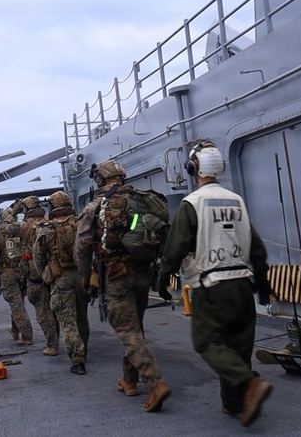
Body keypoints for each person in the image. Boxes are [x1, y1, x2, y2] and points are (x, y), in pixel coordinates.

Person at [157, 141, 272, 426]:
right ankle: (235, 403)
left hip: (211, 286)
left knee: (207, 342)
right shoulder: (237, 201)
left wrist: (162, 278)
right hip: (242, 284)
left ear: (193, 168)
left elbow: (175, 247)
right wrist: (263, 285)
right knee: (238, 346)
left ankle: (249, 382)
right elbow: (257, 248)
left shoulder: (192, 203)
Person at [75, 159, 172, 413]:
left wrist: (85, 277)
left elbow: (82, 247)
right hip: (143, 273)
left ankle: (155, 384)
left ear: (100, 180)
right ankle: (129, 380)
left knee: (128, 331)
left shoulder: (95, 207)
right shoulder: (140, 200)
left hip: (115, 275)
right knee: (135, 327)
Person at [35, 190, 89, 375]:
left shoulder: (46, 229)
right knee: (82, 317)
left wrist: (45, 274)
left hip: (60, 278)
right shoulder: (80, 223)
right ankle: (84, 351)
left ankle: (78, 361)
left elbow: (38, 256)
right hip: (81, 277)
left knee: (68, 322)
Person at [0, 207, 34, 346]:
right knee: (18, 303)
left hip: (8, 274)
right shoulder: (23, 232)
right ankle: (15, 330)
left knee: (17, 306)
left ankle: (27, 336)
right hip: (23, 272)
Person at [19, 195, 60, 356]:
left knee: (43, 312)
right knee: (56, 309)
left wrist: (11, 213)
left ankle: (52, 345)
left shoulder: (25, 226)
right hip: (55, 272)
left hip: (36, 274)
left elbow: (5, 228)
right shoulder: (50, 222)